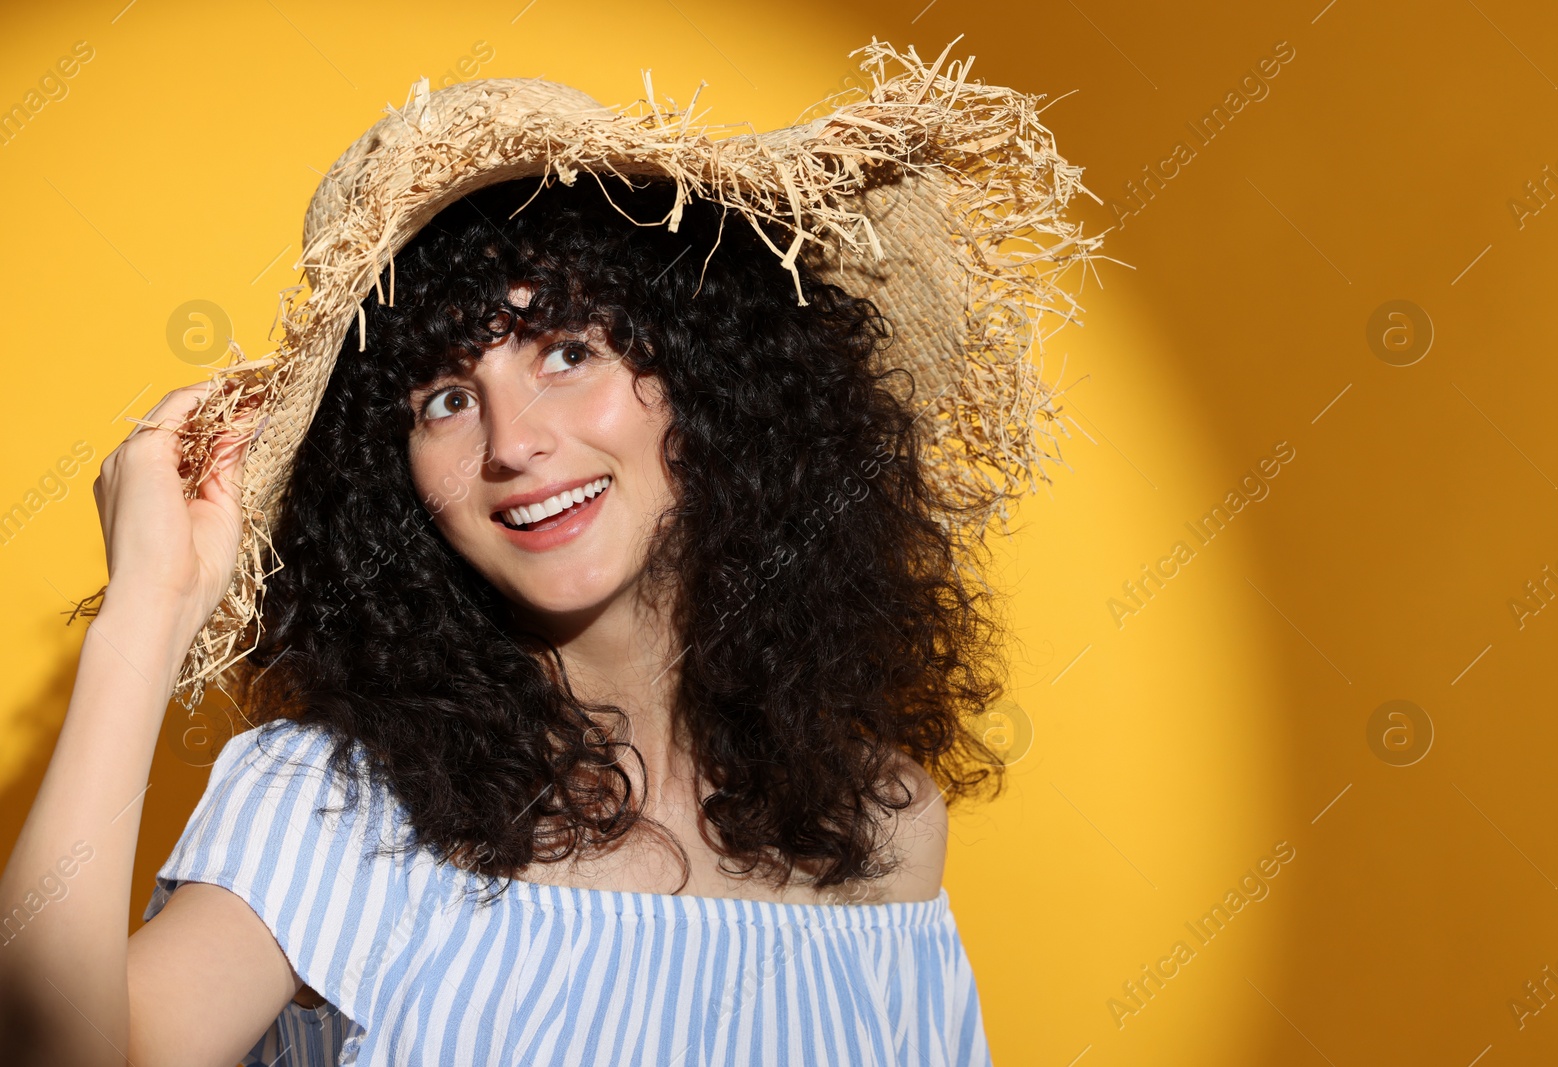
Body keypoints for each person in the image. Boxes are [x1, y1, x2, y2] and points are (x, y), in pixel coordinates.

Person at [0, 44, 1093, 1066]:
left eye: (567, 349)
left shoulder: (881, 825)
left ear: (708, 375)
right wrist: (149, 608)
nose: (513, 441)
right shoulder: (336, 806)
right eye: (443, 396)